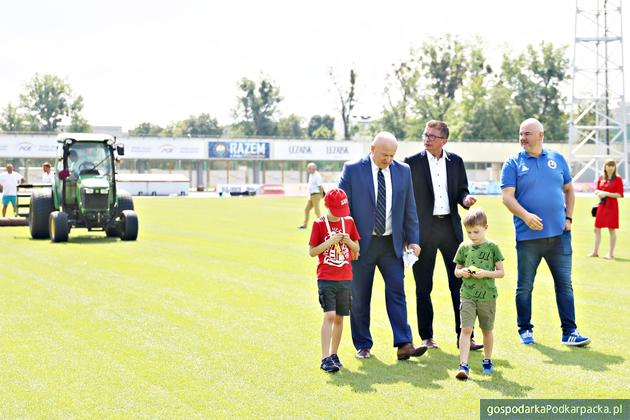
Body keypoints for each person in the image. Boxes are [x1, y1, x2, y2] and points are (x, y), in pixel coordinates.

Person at [500, 117, 591, 347]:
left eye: (527, 133)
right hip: (528, 238)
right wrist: (526, 216)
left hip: (559, 237)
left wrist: (569, 218)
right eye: (521, 134)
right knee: (525, 286)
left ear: (540, 135)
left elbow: (569, 190)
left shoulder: (557, 159)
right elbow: (507, 197)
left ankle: (569, 331)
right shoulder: (513, 163)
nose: (523, 138)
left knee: (565, 285)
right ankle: (525, 329)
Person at [339, 131, 427, 360]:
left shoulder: (403, 171)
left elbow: (410, 208)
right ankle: (363, 345)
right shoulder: (352, 170)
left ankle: (404, 344)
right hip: (360, 245)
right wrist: (350, 241)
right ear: (372, 149)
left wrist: (414, 240)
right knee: (360, 296)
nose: (388, 159)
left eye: (392, 155)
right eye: (384, 155)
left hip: (391, 245)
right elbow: (343, 211)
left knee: (397, 292)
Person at [404, 120, 482, 351]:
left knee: (460, 284)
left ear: (444, 140)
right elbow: (406, 200)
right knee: (423, 287)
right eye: (425, 135)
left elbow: (461, 190)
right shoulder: (411, 164)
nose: (427, 139)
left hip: (450, 229)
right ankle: (426, 337)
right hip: (422, 232)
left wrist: (466, 199)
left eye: (432, 136)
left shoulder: (456, 162)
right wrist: (409, 236)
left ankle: (465, 335)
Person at [309, 188, 360, 373]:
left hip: (345, 277)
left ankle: (333, 354)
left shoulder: (349, 222)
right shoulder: (319, 224)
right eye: (335, 212)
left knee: (339, 317)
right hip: (326, 277)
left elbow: (357, 249)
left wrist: (348, 242)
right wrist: (329, 242)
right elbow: (312, 251)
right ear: (327, 206)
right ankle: (324, 358)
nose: (339, 216)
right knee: (329, 315)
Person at [453, 208, 504, 380]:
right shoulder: (464, 247)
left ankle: (487, 360)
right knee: (466, 329)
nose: (472, 235)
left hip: (487, 297)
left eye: (476, 231)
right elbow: (456, 270)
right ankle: (463, 365)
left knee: (486, 330)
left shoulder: (492, 247)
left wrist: (485, 273)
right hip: (467, 295)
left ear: (485, 227)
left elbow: (501, 272)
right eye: (469, 232)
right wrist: (462, 272)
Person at [587, 159, 624, 259]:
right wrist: (598, 193)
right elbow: (597, 190)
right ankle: (595, 252)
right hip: (602, 206)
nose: (611, 167)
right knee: (596, 229)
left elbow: (619, 194)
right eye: (609, 165)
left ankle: (610, 254)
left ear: (615, 167)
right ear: (605, 167)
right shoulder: (601, 178)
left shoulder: (618, 179)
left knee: (611, 229)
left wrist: (607, 194)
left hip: (612, 207)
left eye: (612, 165)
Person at [298, 162, 324, 229]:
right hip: (311, 195)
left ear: (313, 168)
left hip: (316, 195)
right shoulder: (311, 175)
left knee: (317, 212)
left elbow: (320, 186)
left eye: (309, 168)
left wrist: (323, 194)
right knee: (306, 209)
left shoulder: (317, 175)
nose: (308, 169)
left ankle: (322, 226)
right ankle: (305, 225)